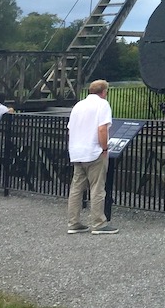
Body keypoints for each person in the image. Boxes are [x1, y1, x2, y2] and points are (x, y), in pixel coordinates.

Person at [66, 79, 116, 234]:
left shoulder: (78, 105)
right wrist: (105, 147)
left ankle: (73, 222)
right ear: (104, 92)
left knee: (76, 188)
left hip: (77, 151)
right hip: (94, 151)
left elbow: (70, 127)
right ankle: (98, 223)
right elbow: (102, 129)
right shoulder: (102, 105)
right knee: (97, 188)